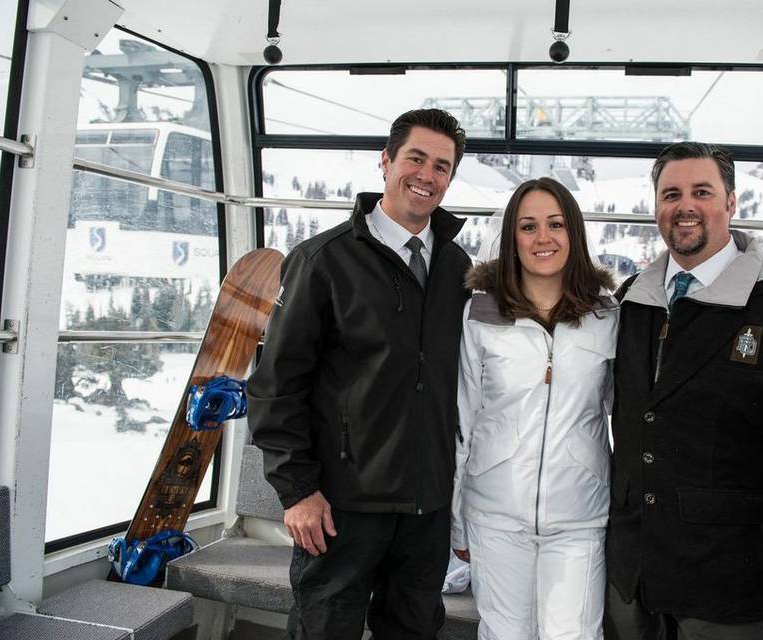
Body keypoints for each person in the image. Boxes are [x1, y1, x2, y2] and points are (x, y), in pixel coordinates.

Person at [604, 142, 763, 640]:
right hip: (633, 568)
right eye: (671, 193)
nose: (685, 206)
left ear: (731, 202)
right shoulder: (635, 300)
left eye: (702, 191)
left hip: (728, 575)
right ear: (656, 207)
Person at [247, 108, 472, 640]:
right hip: (341, 504)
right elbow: (276, 384)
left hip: (425, 505)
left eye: (442, 166)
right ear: (386, 160)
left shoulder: (457, 268)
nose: (427, 174)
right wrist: (297, 489)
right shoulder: (323, 260)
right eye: (415, 158)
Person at [451, 177, 618, 640]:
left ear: (574, 233)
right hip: (494, 513)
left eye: (555, 224)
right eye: (528, 226)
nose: (543, 238)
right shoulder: (481, 314)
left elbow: (625, 420)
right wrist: (456, 522)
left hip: (580, 517)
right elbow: (463, 423)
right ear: (512, 238)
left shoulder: (607, 316)